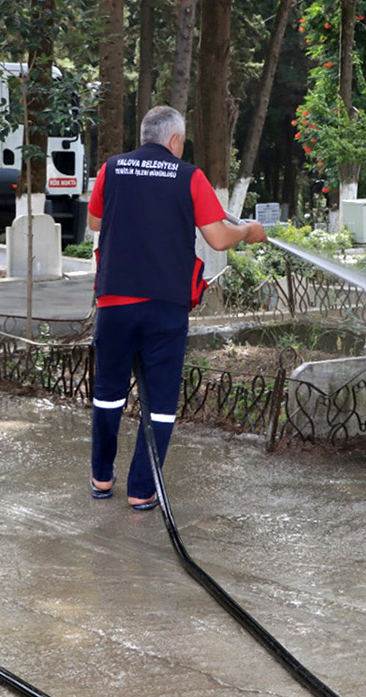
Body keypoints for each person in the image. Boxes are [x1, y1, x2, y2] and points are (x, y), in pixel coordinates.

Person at [86, 106, 267, 510]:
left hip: (114, 301)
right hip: (165, 305)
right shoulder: (189, 177)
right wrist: (248, 231)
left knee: (108, 394)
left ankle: (101, 478)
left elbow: (95, 223)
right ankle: (141, 490)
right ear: (175, 140)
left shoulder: (111, 169)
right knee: (161, 401)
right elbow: (218, 238)